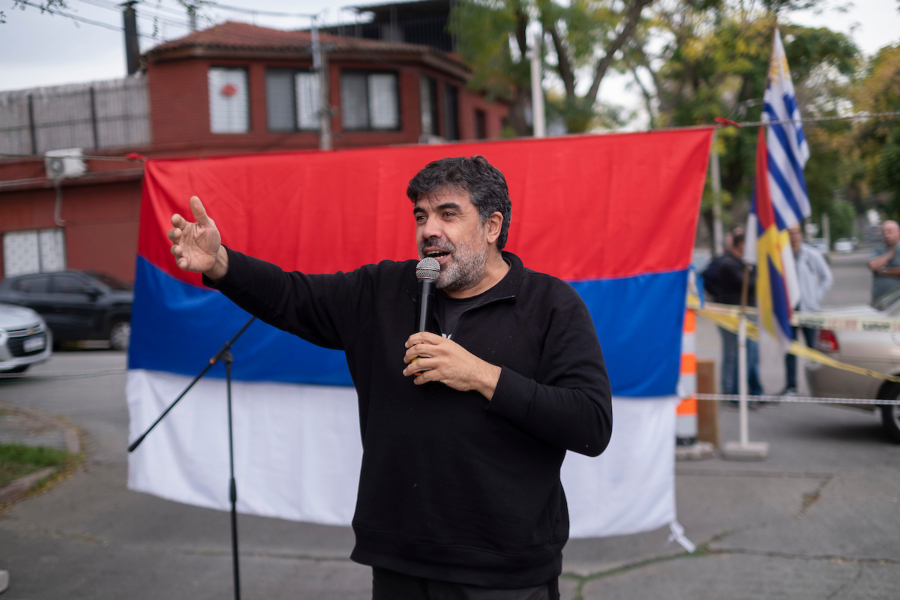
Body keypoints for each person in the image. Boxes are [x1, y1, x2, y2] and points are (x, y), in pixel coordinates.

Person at [167, 156, 613, 600]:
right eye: (421, 216)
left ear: (492, 226)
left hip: (505, 570)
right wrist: (221, 264)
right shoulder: (381, 290)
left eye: (448, 214)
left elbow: (590, 424)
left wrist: (482, 375)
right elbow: (291, 295)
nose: (428, 230)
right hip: (400, 560)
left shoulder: (551, 305)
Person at [702, 228, 763, 402]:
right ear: (741, 245)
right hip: (730, 315)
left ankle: (753, 389)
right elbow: (748, 283)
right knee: (733, 353)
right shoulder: (728, 263)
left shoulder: (744, 262)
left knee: (750, 352)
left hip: (747, 313)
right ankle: (731, 391)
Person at [781, 223, 833, 396]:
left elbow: (827, 277)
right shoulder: (783, 256)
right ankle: (791, 387)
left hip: (809, 311)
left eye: (796, 232)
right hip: (790, 312)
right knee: (790, 351)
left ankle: (818, 387)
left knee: (813, 350)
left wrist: (815, 296)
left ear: (801, 234)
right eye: (790, 233)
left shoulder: (812, 254)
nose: (794, 236)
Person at [868, 220, 900, 302]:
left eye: (889, 232)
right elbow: (872, 265)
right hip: (879, 302)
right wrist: (889, 255)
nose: (886, 235)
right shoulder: (878, 249)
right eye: (884, 232)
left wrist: (884, 271)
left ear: (898, 233)